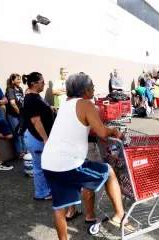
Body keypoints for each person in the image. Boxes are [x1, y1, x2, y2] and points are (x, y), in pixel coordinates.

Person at [41, 74, 133, 240]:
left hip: (48, 163)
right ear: (85, 90)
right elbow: (102, 132)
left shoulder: (65, 104)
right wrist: (114, 131)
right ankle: (120, 216)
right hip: (69, 163)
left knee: (59, 207)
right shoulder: (85, 104)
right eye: (92, 86)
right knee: (109, 172)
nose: (94, 88)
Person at [23, 72, 55, 200]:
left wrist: (50, 108)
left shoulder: (35, 97)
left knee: (44, 165)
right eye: (42, 82)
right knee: (39, 167)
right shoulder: (32, 99)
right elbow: (36, 121)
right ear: (34, 84)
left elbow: (40, 111)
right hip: (36, 138)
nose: (44, 84)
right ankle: (41, 193)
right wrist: (45, 139)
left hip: (37, 137)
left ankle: (46, 190)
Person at [6, 73, 27, 158]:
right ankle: (20, 152)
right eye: (17, 79)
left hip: (21, 114)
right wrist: (19, 113)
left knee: (22, 131)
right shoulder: (10, 89)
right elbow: (13, 104)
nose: (19, 81)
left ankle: (25, 150)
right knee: (17, 132)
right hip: (13, 115)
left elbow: (22, 101)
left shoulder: (20, 89)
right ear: (12, 80)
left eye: (19, 79)